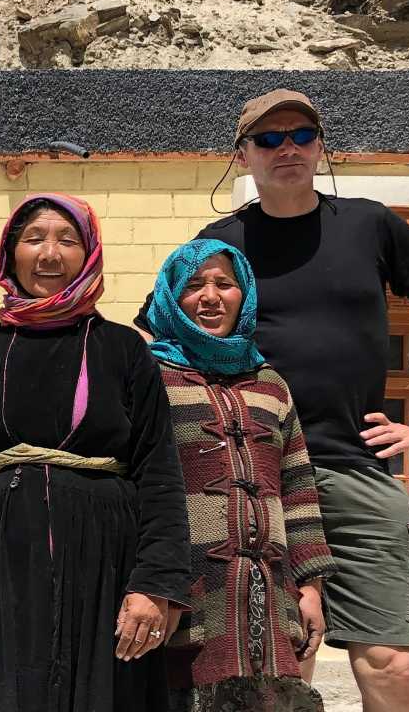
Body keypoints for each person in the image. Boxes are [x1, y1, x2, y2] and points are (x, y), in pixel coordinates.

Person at [139, 91, 409, 712]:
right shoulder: (222, 241)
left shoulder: (369, 224)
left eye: (300, 134)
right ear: (243, 155)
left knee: (392, 660)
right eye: (268, 140)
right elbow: (159, 335)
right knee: (281, 661)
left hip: (355, 468)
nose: (286, 148)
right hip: (253, 481)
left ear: (321, 145)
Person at [0, 193, 191, 712]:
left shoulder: (125, 351)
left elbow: (160, 473)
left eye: (67, 240)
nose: (49, 255)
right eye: (34, 239)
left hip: (106, 561)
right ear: (10, 252)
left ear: (90, 254)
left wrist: (156, 584)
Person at [144, 240, 338, 712]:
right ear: (171, 297)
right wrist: (150, 585)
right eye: (193, 285)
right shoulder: (147, 376)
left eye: (223, 284)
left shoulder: (270, 384)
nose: (210, 296)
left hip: (271, 593)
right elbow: (135, 487)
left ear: (243, 295)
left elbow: (297, 488)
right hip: (182, 594)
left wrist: (311, 586)